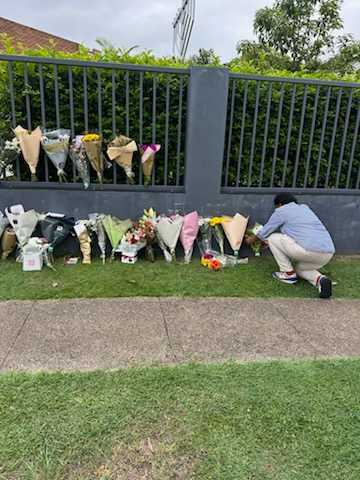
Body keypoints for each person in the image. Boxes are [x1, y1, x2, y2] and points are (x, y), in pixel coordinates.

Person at [245, 193, 335, 299]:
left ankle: (287, 274)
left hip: (308, 251)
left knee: (273, 238)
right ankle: (321, 280)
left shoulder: (281, 210)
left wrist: (250, 240)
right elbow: (297, 233)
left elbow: (265, 231)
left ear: (280, 204)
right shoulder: (305, 209)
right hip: (327, 254)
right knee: (301, 269)